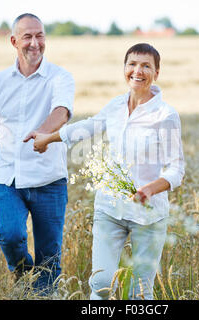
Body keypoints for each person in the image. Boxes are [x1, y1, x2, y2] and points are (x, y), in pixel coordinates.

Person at [26, 43, 184, 300]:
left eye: (146, 65)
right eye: (132, 64)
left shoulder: (166, 115)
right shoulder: (115, 106)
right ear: (124, 68)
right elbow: (87, 127)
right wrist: (47, 137)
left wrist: (150, 189)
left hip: (149, 215)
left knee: (139, 291)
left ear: (157, 73)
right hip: (110, 208)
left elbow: (177, 169)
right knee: (100, 283)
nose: (138, 71)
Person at [0, 13, 75, 295]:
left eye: (40, 36)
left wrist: (42, 133)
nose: (35, 43)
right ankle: (22, 274)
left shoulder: (60, 76)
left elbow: (62, 111)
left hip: (49, 180)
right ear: (14, 41)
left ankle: (42, 291)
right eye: (28, 36)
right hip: (9, 178)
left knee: (49, 258)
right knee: (10, 235)